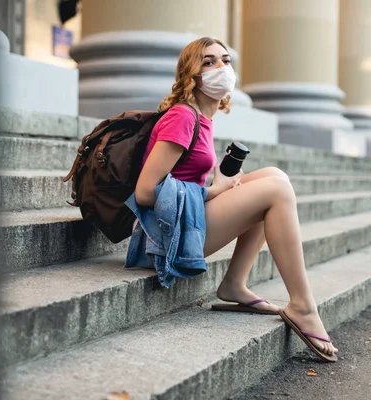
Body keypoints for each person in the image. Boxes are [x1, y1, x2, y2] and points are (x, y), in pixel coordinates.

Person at [132, 37, 338, 362]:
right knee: (276, 192)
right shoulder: (182, 117)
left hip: (187, 222)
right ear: (192, 74)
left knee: (275, 177)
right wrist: (214, 191)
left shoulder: (203, 118)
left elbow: (185, 180)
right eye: (209, 62)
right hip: (163, 238)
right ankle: (302, 305)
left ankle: (234, 285)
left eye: (225, 61)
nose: (222, 68)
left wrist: (218, 184)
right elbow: (145, 191)